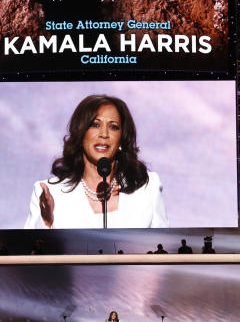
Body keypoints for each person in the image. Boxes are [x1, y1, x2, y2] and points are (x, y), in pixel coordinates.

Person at [25, 94, 168, 229]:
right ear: (81, 133)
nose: (104, 134)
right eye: (95, 125)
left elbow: (166, 250)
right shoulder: (50, 192)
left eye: (113, 127)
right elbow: (28, 251)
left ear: (121, 137)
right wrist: (47, 222)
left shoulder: (148, 187)